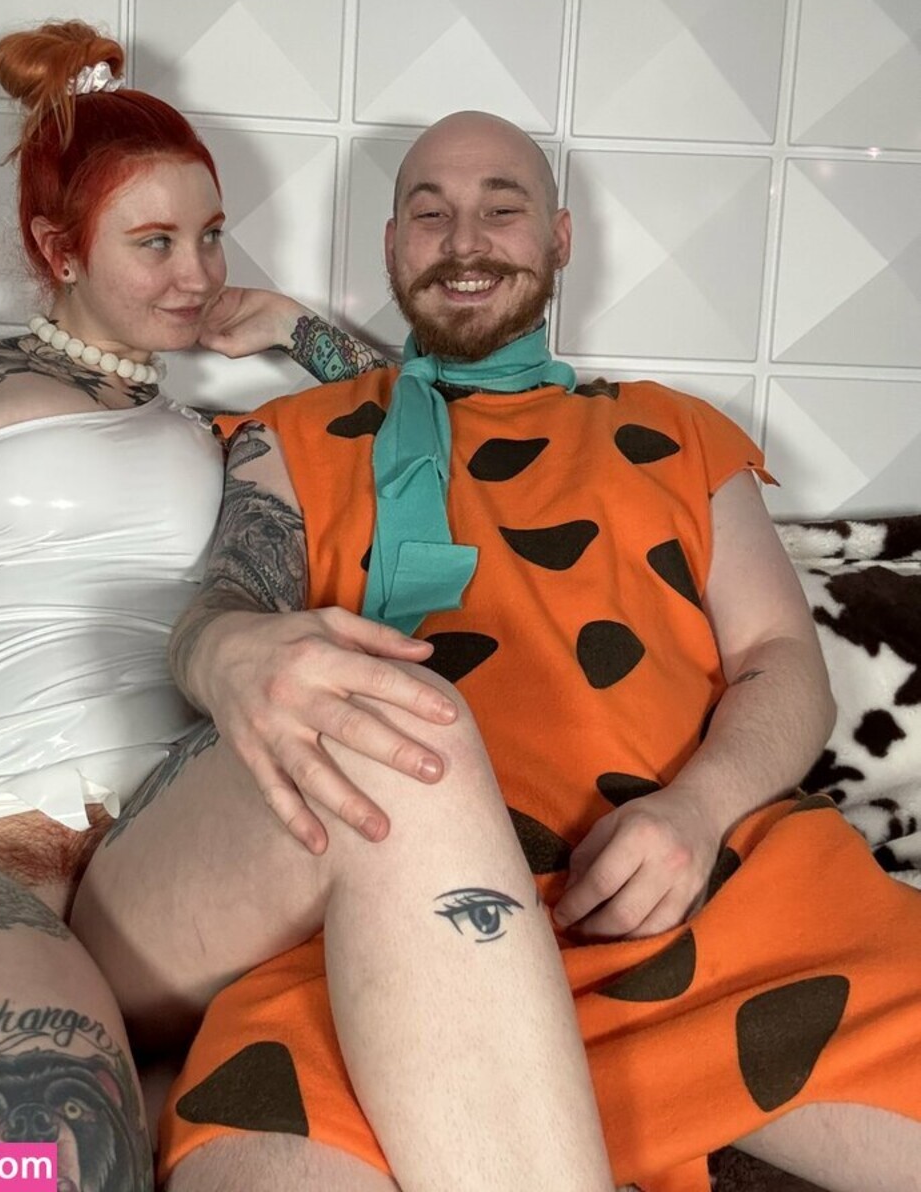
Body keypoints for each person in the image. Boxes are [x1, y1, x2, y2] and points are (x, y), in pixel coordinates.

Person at [133, 112, 921, 1192]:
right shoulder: (295, 436)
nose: (464, 240)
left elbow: (782, 658)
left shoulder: (680, 432)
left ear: (559, 238)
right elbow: (229, 599)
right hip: (384, 945)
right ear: (392, 248)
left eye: (501, 210)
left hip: (725, 904)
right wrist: (216, 650)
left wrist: (697, 814)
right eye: (430, 214)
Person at [0, 19, 437, 1186]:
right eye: (155, 241)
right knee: (20, 1155)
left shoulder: (224, 440)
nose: (198, 275)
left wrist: (293, 327)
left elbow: (444, 439)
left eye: (211, 236)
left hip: (158, 868)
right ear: (56, 248)